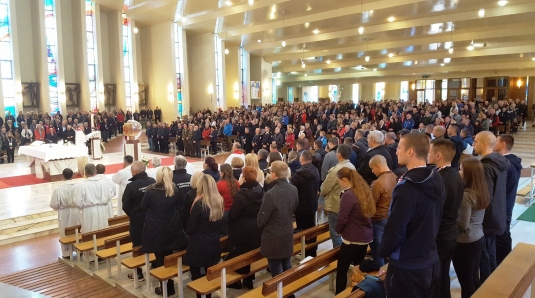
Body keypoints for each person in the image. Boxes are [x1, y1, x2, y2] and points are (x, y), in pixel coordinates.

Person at [380, 133, 445, 298]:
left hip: (407, 265)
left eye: (399, 148)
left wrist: (384, 251)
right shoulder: (436, 177)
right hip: (429, 257)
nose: (396, 151)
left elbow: (396, 227)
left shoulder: (407, 186)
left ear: (410, 152)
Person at [141, 167, 187, 296]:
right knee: (168, 255)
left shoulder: (150, 191)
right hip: (171, 226)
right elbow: (179, 207)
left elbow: (143, 206)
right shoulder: (174, 189)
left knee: (160, 257)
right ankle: (169, 285)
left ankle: (166, 287)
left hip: (155, 227)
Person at [427, 138, 464, 298]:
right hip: (451, 232)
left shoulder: (438, 178)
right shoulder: (455, 175)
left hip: (439, 235)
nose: (427, 154)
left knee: (435, 277)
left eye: (429, 151)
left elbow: (433, 211)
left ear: (438, 155)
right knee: (443, 275)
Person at [473, 131, 510, 282]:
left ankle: (487, 288)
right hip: (498, 213)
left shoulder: (485, 166)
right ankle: (493, 283)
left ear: (484, 144)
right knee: (491, 253)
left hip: (488, 218)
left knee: (485, 257)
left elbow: (485, 196)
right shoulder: (500, 162)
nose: (473, 144)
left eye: (475, 141)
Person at [452, 158, 489, 298]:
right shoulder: (481, 189)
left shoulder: (466, 195)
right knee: (473, 277)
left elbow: (462, 224)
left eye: (461, 169)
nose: (459, 171)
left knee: (466, 282)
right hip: (478, 237)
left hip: (465, 242)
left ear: (468, 173)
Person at [334, 167, 375, 294]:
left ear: (345, 179)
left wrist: (338, 230)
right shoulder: (363, 190)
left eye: (339, 181)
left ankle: (339, 294)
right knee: (358, 267)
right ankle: (358, 293)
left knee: (342, 269)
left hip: (352, 239)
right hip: (365, 237)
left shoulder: (348, 195)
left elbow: (342, 218)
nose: (339, 184)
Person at [184, 174, 225, 298]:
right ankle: (208, 295)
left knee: (196, 272)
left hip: (199, 243)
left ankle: (200, 295)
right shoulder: (219, 201)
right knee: (209, 272)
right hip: (214, 242)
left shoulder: (199, 204)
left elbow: (190, 228)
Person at [258, 161, 298, 277]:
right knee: (287, 264)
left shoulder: (270, 194)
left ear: (274, 174)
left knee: (277, 271)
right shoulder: (293, 189)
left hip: (274, 236)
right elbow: (294, 208)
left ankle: (282, 293)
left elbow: (262, 219)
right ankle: (289, 292)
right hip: (287, 231)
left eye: (270, 172)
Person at [226, 166, 263, 289]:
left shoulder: (241, 195)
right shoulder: (260, 190)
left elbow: (232, 215)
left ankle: (237, 281)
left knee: (239, 254)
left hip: (242, 229)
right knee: (249, 252)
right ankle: (248, 280)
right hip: (256, 227)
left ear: (244, 177)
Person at [122, 161, 155, 281]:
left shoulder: (131, 186)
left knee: (137, 246)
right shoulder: (152, 181)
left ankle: (139, 273)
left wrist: (133, 215)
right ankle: (155, 266)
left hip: (137, 222)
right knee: (153, 242)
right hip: (152, 218)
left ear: (134, 172)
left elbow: (125, 205)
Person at [494, 134, 522, 265]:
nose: (494, 143)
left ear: (503, 144)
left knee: (502, 236)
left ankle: (503, 265)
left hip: (503, 205)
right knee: (503, 235)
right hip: (506, 204)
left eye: (496, 141)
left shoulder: (506, 165)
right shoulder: (511, 162)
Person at [320, 144, 356, 248]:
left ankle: (339, 258)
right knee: (346, 233)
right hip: (350, 204)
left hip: (336, 205)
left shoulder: (336, 170)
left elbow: (325, 189)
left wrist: (322, 192)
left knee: (335, 233)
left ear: (339, 155)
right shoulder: (352, 166)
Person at [367, 155, 396, 271]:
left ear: (378, 166)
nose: (372, 171)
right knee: (386, 248)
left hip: (378, 219)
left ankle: (381, 277)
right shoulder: (395, 177)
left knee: (377, 250)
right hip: (390, 217)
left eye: (372, 168)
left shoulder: (378, 183)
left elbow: (370, 204)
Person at [290, 150, 320, 257]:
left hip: (301, 207)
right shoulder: (315, 170)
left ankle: (303, 252)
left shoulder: (298, 174)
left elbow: (291, 188)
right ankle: (312, 252)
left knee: (302, 230)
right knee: (311, 227)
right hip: (312, 204)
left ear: (301, 159)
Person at [74, 163, 116, 233]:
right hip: (102, 210)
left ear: (85, 173)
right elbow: (110, 195)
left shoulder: (82, 186)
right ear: (95, 172)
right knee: (103, 232)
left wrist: (83, 207)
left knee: (89, 233)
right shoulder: (104, 183)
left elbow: (77, 202)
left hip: (88, 211)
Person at [50, 168, 81, 258]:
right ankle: (79, 249)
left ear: (62, 176)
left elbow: (53, 204)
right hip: (76, 211)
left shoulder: (58, 189)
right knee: (77, 230)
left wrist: (60, 207)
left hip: (64, 212)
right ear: (72, 175)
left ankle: (67, 253)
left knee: (65, 231)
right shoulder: (78, 186)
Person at [217, 164, 240, 230]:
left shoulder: (219, 185)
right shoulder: (236, 182)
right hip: (234, 211)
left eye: (220, 171)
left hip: (223, 212)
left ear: (223, 173)